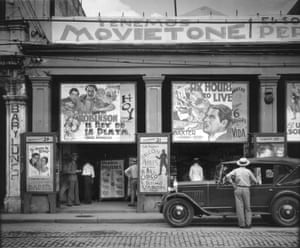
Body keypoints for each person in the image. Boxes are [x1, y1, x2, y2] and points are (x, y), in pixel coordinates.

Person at [225, 157, 257, 228]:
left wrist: (233, 184)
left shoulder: (236, 170)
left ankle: (242, 224)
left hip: (238, 188)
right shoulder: (248, 171)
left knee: (239, 207)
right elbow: (255, 181)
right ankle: (248, 224)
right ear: (246, 164)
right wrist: (250, 183)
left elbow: (227, 176)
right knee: (247, 207)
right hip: (246, 189)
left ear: (239, 163)